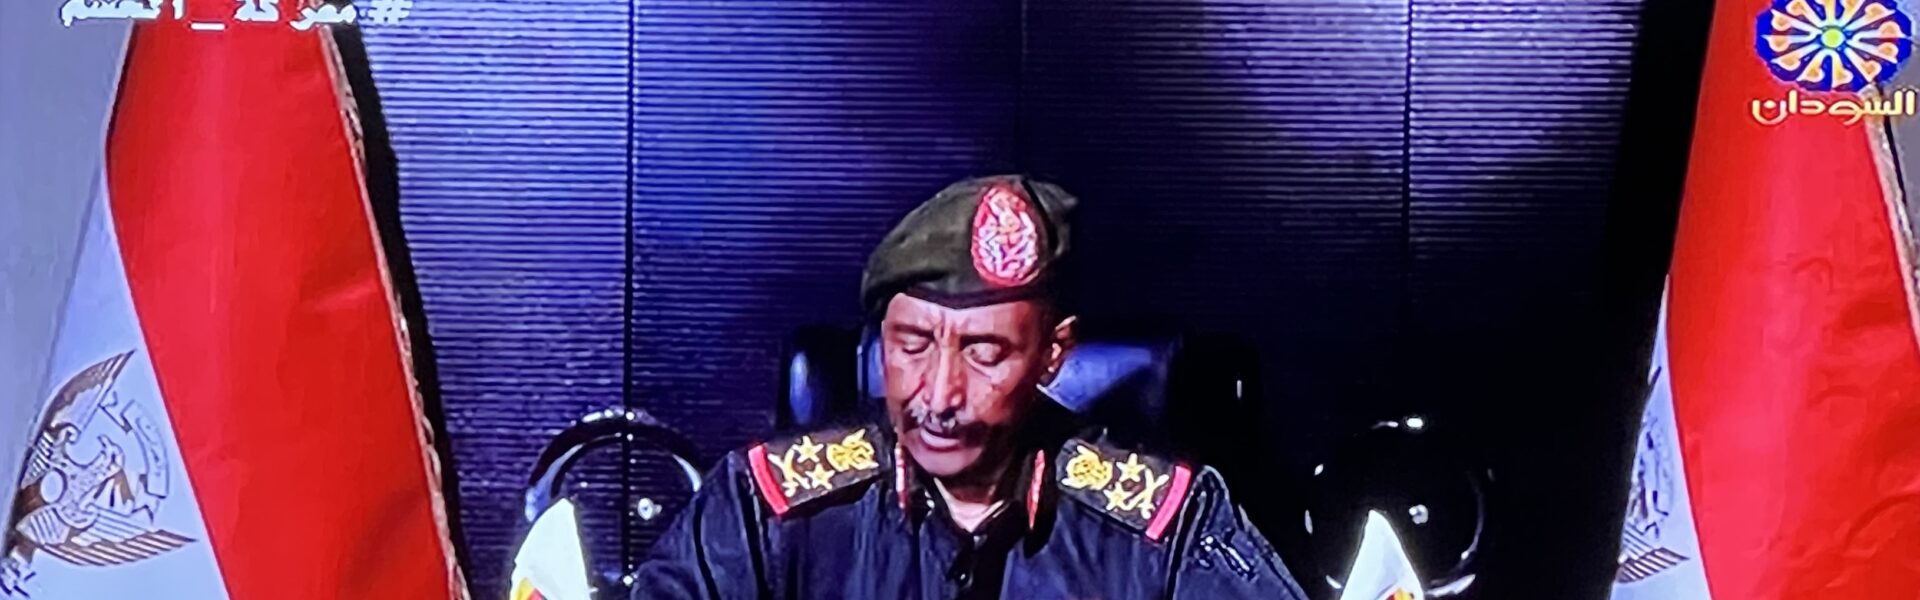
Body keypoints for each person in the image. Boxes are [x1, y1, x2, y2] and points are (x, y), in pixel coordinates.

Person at [631, 176, 1307, 599]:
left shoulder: (1167, 520)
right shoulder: (763, 507)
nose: (940, 396)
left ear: (1052, 354)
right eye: (912, 346)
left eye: (985, 354)